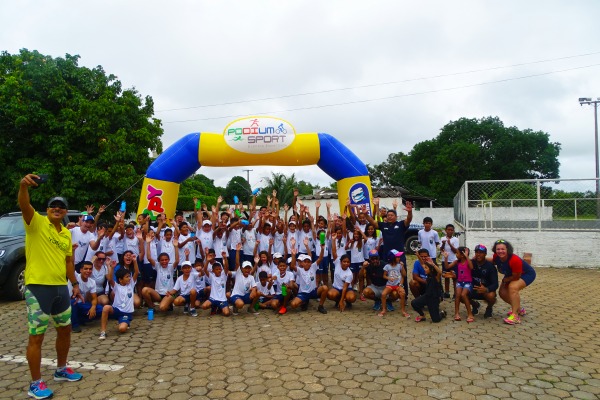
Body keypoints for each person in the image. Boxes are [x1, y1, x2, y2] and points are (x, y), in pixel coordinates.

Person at [18, 174, 83, 399]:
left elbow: (68, 262)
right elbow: (24, 204)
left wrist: (74, 284)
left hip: (60, 289)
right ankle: (35, 383)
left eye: (61, 207)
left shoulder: (65, 234)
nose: (57, 209)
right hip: (38, 288)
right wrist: (23, 186)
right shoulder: (35, 222)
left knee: (65, 330)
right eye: (53, 206)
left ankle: (61, 369)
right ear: (47, 209)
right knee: (37, 336)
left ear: (65, 212)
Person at [366, 198, 413, 298]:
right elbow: (373, 222)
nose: (390, 216)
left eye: (392, 215)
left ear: (396, 217)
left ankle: (404, 295)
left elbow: (408, 220)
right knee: (387, 273)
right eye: (388, 215)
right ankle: (388, 295)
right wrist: (366, 214)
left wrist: (410, 212)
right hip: (387, 255)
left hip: (399, 256)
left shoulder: (400, 225)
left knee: (402, 273)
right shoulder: (384, 225)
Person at [490, 239, 536, 325]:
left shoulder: (514, 260)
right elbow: (492, 261)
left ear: (508, 249)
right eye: (498, 249)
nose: (500, 251)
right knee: (502, 293)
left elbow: (516, 276)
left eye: (503, 249)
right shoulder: (496, 257)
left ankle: (515, 316)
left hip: (525, 274)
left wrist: (505, 280)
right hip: (511, 274)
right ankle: (519, 309)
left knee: (512, 287)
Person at [99, 260, 140, 339]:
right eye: (127, 277)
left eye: (129, 276)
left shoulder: (131, 285)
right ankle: (103, 332)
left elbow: (136, 272)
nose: (129, 278)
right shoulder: (116, 286)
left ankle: (125, 322)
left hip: (126, 313)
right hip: (116, 310)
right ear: (120, 280)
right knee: (106, 307)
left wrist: (135, 261)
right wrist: (112, 268)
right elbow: (110, 279)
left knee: (122, 329)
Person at [411, 254, 447, 323]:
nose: (424, 269)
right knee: (414, 303)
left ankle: (442, 313)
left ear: (431, 269)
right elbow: (422, 263)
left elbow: (440, 272)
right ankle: (422, 315)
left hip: (434, 299)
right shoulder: (428, 275)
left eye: (426, 268)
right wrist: (418, 255)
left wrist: (433, 264)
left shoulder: (436, 278)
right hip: (427, 296)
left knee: (435, 320)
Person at [70, 262, 104, 333]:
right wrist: (72, 251)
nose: (88, 271)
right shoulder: (75, 276)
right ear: (81, 270)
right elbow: (71, 264)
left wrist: (93, 307)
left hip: (82, 304)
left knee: (100, 309)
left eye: (90, 269)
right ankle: (75, 325)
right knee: (72, 302)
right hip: (70, 304)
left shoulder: (92, 282)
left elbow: (94, 298)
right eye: (86, 269)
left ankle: (81, 319)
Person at [468, 244, 498, 319]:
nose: (478, 254)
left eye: (481, 252)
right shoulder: (471, 263)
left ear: (485, 254)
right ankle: (475, 305)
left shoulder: (490, 267)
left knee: (491, 296)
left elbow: (495, 284)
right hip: (473, 288)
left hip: (485, 290)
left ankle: (489, 308)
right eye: (477, 252)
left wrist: (486, 289)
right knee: (460, 293)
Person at [379, 250, 410, 318]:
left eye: (399, 257)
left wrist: (403, 267)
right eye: (397, 257)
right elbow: (384, 275)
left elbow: (404, 275)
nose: (399, 258)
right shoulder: (387, 266)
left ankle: (403, 310)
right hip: (389, 285)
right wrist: (388, 278)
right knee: (383, 294)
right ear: (393, 258)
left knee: (402, 294)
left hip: (398, 285)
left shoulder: (399, 266)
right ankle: (384, 309)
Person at [449, 246, 475, 323]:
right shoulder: (457, 262)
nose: (456, 254)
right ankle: (456, 313)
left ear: (462, 254)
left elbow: (471, 267)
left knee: (463, 295)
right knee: (457, 295)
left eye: (457, 253)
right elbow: (447, 266)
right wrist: (446, 258)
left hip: (468, 282)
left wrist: (467, 257)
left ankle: (470, 314)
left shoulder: (468, 262)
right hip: (460, 282)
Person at [439, 224, 459, 298]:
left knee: (454, 277)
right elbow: (441, 250)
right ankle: (447, 292)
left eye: (451, 230)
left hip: (453, 260)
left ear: (453, 231)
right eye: (448, 230)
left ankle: (455, 293)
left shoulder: (455, 239)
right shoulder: (442, 238)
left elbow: (456, 251)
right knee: (446, 276)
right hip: (445, 260)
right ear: (446, 230)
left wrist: (450, 244)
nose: (450, 231)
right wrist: (443, 244)